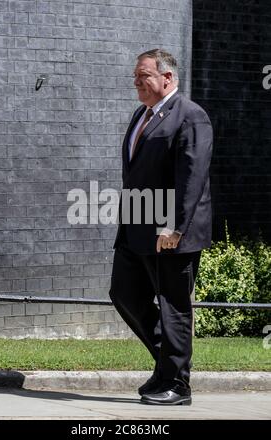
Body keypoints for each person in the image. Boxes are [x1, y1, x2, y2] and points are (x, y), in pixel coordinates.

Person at [109, 49, 213, 405]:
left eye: (144, 75)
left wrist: (176, 227)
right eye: (136, 76)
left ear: (167, 78)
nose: (136, 82)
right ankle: (168, 367)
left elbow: (192, 178)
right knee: (124, 293)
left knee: (173, 306)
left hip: (170, 235)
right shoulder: (143, 114)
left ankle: (178, 386)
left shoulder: (190, 117)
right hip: (136, 229)